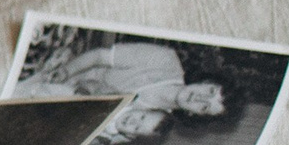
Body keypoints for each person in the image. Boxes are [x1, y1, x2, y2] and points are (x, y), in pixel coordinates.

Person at [19, 39, 225, 126]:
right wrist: (65, 71)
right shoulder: (165, 60)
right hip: (69, 73)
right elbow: (99, 56)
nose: (199, 97)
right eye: (210, 90)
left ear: (195, 114)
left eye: (204, 106)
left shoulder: (151, 123)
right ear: (205, 80)